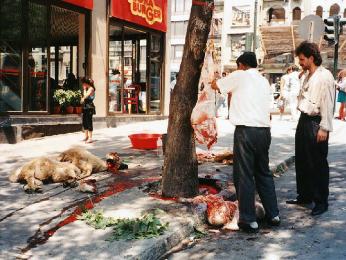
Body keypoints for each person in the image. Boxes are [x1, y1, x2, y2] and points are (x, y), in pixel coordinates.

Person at [212, 52, 280, 233]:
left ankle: (248, 220)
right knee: (263, 172)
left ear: (241, 64)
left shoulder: (240, 75)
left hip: (246, 131)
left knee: (244, 175)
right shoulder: (264, 80)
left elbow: (215, 85)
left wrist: (214, 76)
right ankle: (274, 214)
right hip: (264, 131)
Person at [286, 41, 335, 216]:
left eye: (302, 59)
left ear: (311, 58)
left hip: (316, 122)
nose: (300, 62)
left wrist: (325, 127)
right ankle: (305, 195)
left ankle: (321, 201)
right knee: (303, 160)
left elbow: (328, 104)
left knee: (318, 163)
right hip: (304, 119)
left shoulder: (325, 76)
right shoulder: (307, 74)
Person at [81, 77, 96, 144]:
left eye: (84, 83)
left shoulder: (91, 89)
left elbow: (85, 96)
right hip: (85, 107)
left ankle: (90, 138)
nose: (83, 84)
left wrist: (84, 90)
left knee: (89, 121)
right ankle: (86, 136)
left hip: (89, 107)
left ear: (87, 83)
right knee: (85, 121)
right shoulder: (88, 88)